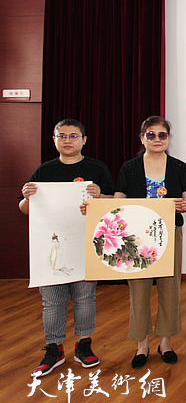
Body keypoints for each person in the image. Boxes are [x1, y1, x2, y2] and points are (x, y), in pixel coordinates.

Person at [18, 119, 115, 376]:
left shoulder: (96, 168)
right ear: (54, 140)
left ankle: (84, 345)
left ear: (84, 140)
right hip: (51, 247)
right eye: (62, 136)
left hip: (85, 244)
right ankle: (54, 348)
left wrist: (100, 196)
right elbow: (25, 209)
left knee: (85, 297)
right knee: (52, 301)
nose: (67, 140)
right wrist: (27, 198)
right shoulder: (44, 171)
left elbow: (113, 204)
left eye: (73, 136)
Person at [115, 116, 186, 369]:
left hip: (169, 233)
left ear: (168, 139)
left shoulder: (179, 168)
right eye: (151, 135)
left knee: (170, 289)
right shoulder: (130, 168)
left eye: (162, 135)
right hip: (136, 239)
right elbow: (118, 202)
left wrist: (183, 205)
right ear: (142, 138)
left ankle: (165, 343)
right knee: (139, 291)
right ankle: (142, 345)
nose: (157, 139)